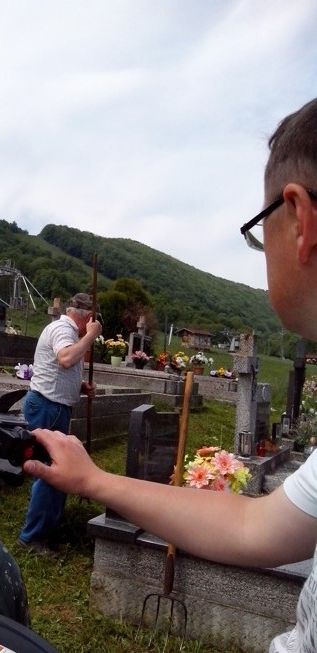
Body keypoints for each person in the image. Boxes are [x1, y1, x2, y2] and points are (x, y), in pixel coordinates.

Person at [22, 99, 317, 651]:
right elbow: (255, 528)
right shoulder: (64, 328)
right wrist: (94, 480)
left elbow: (253, 529)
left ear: (300, 220)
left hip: (59, 401)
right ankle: (37, 532)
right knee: (45, 477)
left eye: (261, 230)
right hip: (47, 405)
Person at [18, 292, 102, 556]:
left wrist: (79, 385)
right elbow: (65, 358)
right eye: (94, 321)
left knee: (56, 470)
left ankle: (48, 527)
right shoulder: (63, 329)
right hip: (48, 406)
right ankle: (33, 537)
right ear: (89, 317)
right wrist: (91, 336)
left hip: (52, 405)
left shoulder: (66, 331)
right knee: (51, 472)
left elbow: (60, 367)